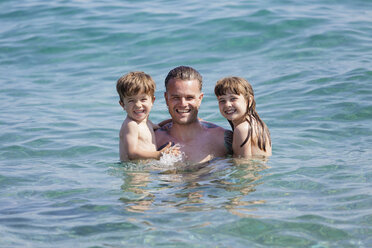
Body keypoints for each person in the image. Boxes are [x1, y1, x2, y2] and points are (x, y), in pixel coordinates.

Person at [155, 66, 233, 164]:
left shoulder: (222, 139)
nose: (183, 104)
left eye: (189, 97)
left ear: (200, 99)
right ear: (166, 99)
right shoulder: (153, 141)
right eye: (176, 97)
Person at [116, 71, 178, 161]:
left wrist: (175, 121)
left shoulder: (146, 122)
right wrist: (158, 155)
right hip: (135, 172)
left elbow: (159, 127)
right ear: (122, 105)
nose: (138, 105)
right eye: (131, 101)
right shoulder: (131, 125)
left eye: (143, 99)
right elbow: (131, 153)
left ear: (152, 101)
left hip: (145, 169)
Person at [214, 76, 272, 157]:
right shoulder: (257, 124)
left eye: (233, 98)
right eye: (222, 100)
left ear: (249, 100)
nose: (227, 105)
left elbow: (242, 166)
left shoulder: (242, 129)